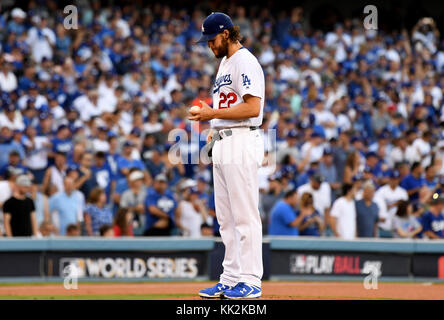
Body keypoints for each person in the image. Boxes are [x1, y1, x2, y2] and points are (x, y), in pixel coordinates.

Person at [190, 12, 265, 299]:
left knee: (245, 216)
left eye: (211, 39)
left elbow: (252, 108)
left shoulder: (245, 60)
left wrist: (212, 114)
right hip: (223, 141)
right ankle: (231, 277)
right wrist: (213, 126)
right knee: (226, 219)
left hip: (242, 140)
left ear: (225, 33)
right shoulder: (224, 63)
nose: (209, 45)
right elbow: (229, 104)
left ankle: (251, 280)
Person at [374, 170, 409, 238]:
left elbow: (406, 210)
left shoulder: (403, 192)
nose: (395, 181)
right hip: (384, 225)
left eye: (396, 179)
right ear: (389, 179)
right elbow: (376, 206)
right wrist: (394, 204)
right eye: (393, 179)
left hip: (398, 227)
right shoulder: (382, 191)